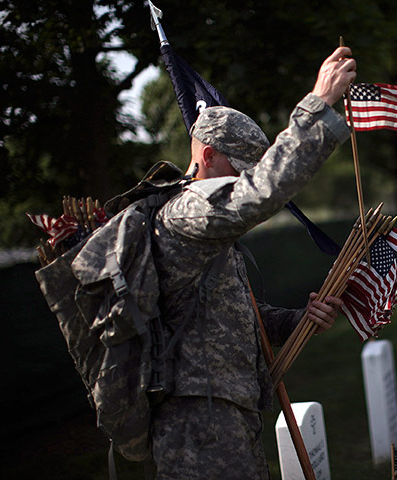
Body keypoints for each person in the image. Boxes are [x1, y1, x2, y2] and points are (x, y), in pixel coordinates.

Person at [149, 46, 356, 479]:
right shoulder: (186, 213)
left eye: (250, 170)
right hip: (198, 425)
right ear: (205, 156)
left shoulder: (209, 225)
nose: (245, 180)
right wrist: (316, 105)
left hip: (227, 413)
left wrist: (298, 322)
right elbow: (263, 193)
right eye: (238, 168)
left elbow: (228, 315)